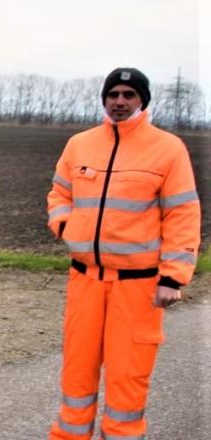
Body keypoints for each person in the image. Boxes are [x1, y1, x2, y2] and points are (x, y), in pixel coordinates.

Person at [45, 67, 200, 440]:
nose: (119, 101)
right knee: (77, 371)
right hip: (84, 281)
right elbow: (59, 193)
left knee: (128, 375)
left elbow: (182, 213)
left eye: (128, 95)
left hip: (138, 286)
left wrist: (173, 277)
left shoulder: (167, 148)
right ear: (104, 99)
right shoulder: (80, 144)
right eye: (113, 94)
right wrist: (66, 226)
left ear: (141, 100)